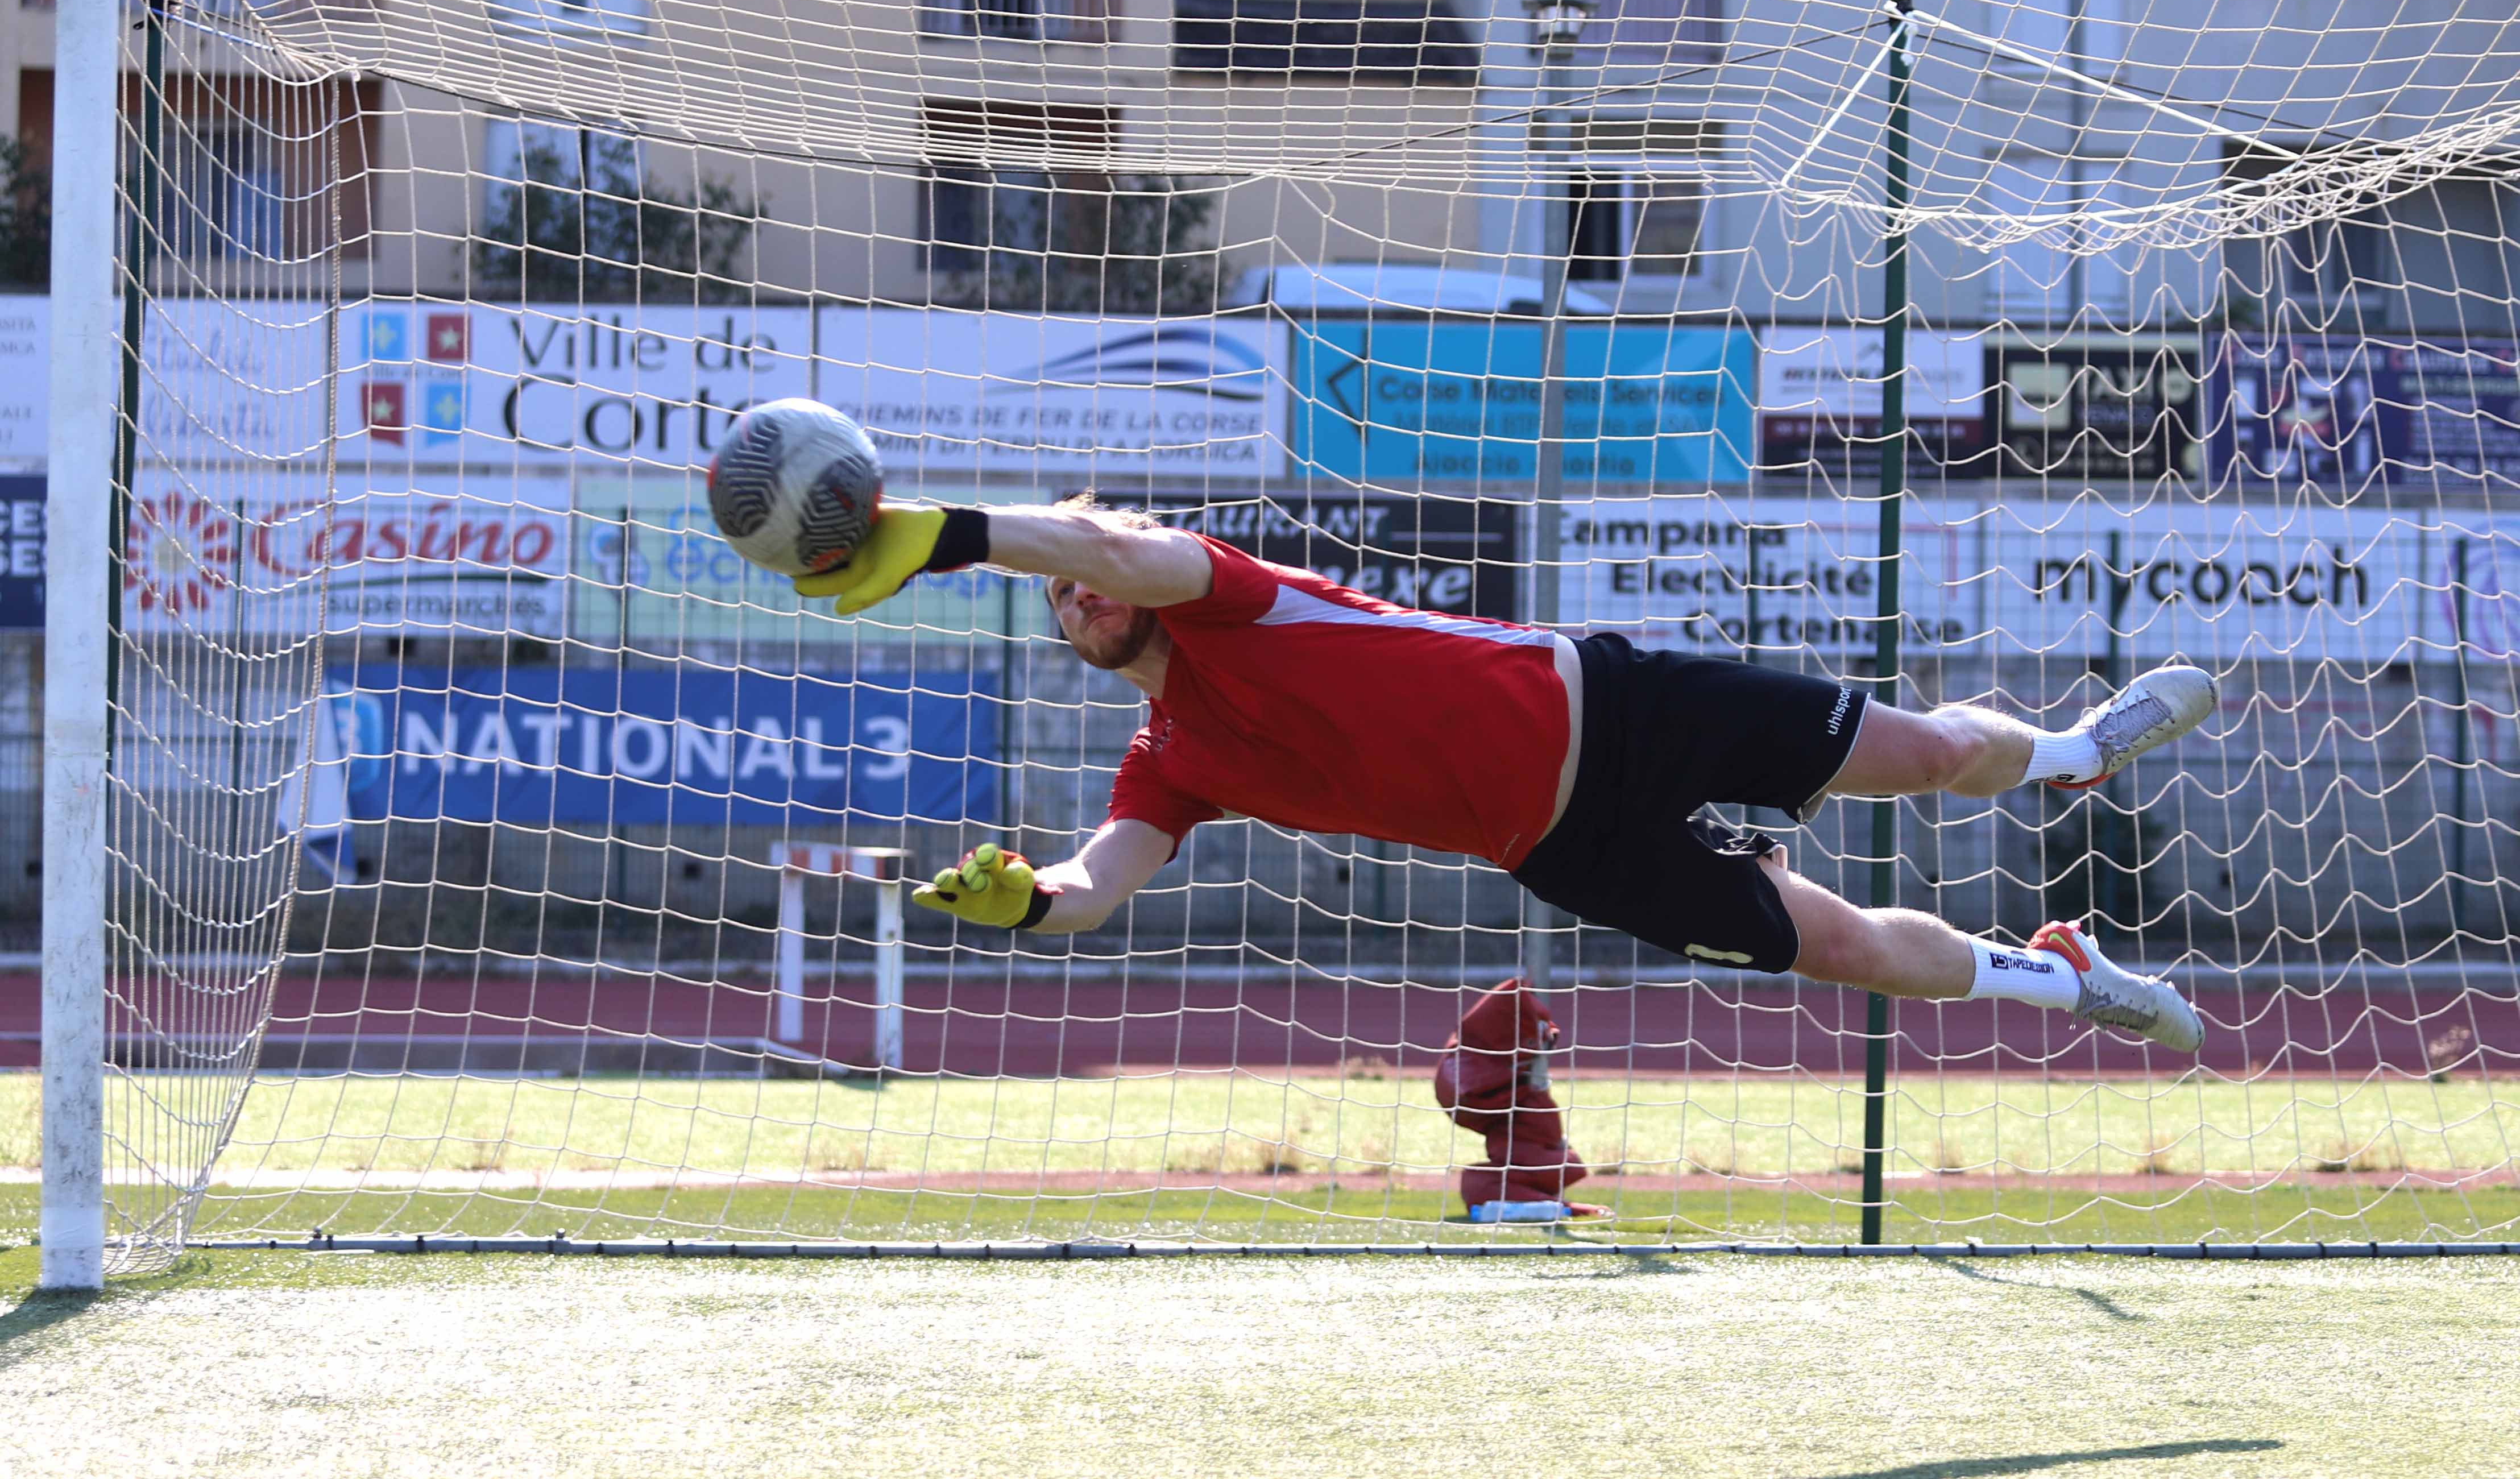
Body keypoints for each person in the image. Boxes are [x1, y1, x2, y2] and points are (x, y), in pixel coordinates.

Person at [794, 496, 2212, 1050]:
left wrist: (943, 530)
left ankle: (2078, 750)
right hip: (1560, 846)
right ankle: (2060, 972)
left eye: (1082, 578)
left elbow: (1100, 546)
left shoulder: (1226, 590)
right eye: (1055, 603)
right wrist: (1026, 902)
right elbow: (1098, 885)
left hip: (1618, 702)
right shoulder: (1167, 757)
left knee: (1937, 752)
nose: (1077, 598)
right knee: (1844, 947)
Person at [1433, 979, 1603, 1221]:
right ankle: (1559, 1208)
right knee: (1484, 1182)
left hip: (1524, 1131)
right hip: (1517, 1124)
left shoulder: (1520, 1099)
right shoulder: (1476, 1073)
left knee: (1485, 1181)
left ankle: (1558, 1207)